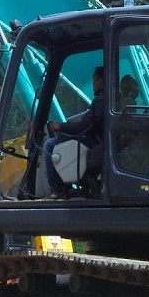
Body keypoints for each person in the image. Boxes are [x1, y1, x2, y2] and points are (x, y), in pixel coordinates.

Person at [43, 66, 105, 198]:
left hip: (95, 141)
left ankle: (58, 188)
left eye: (94, 79)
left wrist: (60, 126)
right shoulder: (105, 99)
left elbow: (84, 125)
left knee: (49, 145)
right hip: (99, 139)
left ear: (100, 80)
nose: (93, 82)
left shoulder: (101, 101)